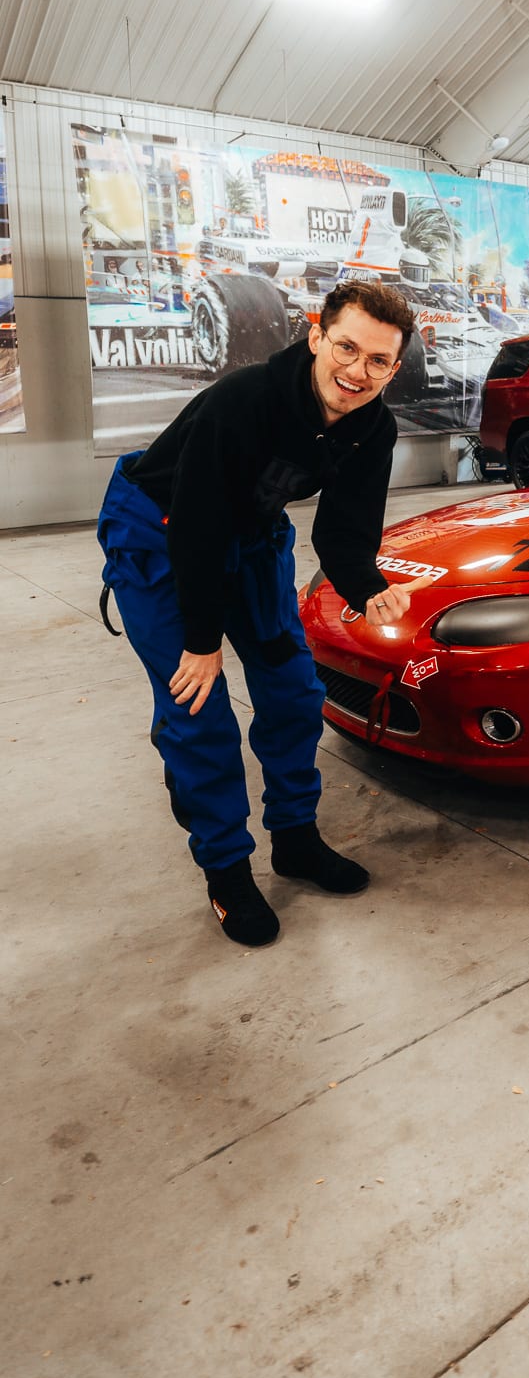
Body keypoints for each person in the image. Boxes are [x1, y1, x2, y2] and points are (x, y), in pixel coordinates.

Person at [97, 280, 417, 948]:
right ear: (315, 336)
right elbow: (196, 524)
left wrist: (366, 585)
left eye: (378, 361)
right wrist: (201, 638)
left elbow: (346, 531)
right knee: (199, 711)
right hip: (160, 534)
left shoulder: (372, 426)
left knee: (294, 691)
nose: (357, 372)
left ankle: (295, 838)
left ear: (396, 366)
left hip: (253, 535)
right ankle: (226, 870)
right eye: (346, 348)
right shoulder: (244, 401)